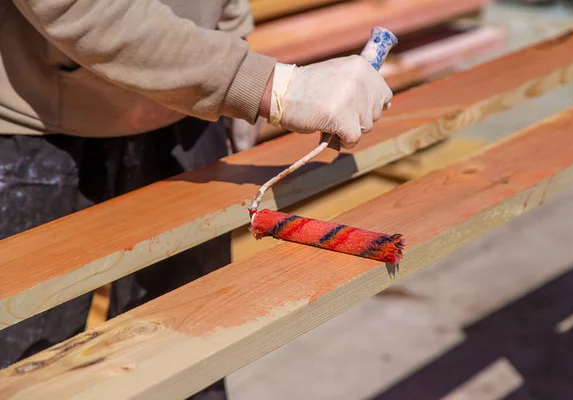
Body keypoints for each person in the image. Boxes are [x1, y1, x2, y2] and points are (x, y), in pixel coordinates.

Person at [0, 0, 393, 398]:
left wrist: (233, 48)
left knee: (188, 356)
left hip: (188, 112)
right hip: (38, 128)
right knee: (28, 372)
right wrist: (267, 86)